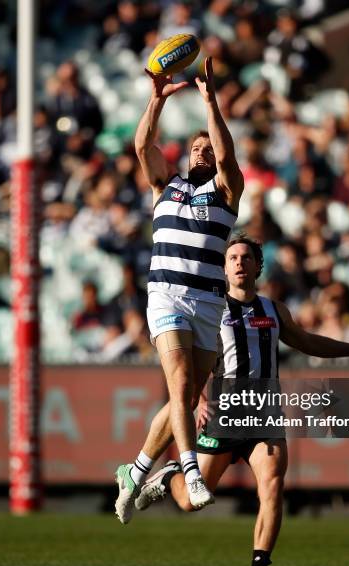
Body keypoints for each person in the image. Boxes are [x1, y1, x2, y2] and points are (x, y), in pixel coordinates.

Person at [133, 236, 349, 566]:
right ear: (224, 268)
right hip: (225, 410)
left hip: (264, 411)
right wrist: (200, 398)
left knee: (272, 485)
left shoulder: (273, 310)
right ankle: (168, 478)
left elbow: (307, 341)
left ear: (258, 266)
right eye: (233, 258)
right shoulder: (211, 308)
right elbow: (186, 363)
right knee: (191, 502)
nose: (239, 263)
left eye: (246, 257)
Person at [115, 57, 244, 521]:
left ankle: (135, 471)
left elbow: (228, 158)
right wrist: (155, 99)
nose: (201, 153)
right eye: (194, 148)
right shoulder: (164, 186)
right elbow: (142, 143)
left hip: (208, 302)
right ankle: (188, 470)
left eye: (206, 149)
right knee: (183, 384)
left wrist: (210, 102)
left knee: (184, 401)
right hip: (166, 295)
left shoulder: (227, 192)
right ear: (186, 155)